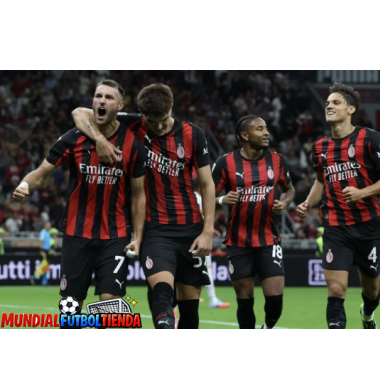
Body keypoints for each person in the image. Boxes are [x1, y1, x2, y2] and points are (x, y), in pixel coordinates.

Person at [72, 83, 215, 329]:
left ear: (172, 107)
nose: (158, 127)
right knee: (162, 294)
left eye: (163, 121)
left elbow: (207, 184)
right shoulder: (133, 124)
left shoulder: (194, 134)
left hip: (191, 228)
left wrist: (208, 231)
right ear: (142, 113)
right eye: (152, 121)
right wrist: (99, 139)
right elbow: (79, 113)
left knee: (190, 311)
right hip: (154, 230)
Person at [13, 79, 147, 328]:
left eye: (108, 97)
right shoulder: (73, 138)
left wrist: (138, 237)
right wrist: (25, 185)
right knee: (71, 306)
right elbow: (41, 173)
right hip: (77, 234)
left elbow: (139, 195)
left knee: (111, 304)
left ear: (120, 106)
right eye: (98, 96)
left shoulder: (133, 144)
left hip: (115, 236)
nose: (102, 101)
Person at [296, 82, 380, 329]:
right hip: (335, 226)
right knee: (336, 288)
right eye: (327, 103)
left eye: (336, 102)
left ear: (351, 109)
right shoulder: (320, 146)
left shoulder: (371, 139)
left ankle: (368, 314)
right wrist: (308, 202)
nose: (329, 106)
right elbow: (321, 181)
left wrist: (362, 192)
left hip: (368, 226)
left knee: (372, 292)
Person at [212, 115, 295, 329]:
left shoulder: (277, 160)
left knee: (275, 300)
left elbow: (289, 189)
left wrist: (284, 203)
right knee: (245, 301)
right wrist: (222, 200)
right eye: (259, 129)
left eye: (266, 128)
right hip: (238, 243)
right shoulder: (225, 163)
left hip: (269, 240)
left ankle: (267, 328)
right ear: (245, 135)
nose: (266, 132)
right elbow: (206, 198)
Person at [192, 174, 230, 309]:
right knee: (204, 270)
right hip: (197, 241)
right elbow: (194, 219)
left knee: (200, 271)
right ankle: (212, 299)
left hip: (196, 239)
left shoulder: (197, 198)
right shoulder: (197, 199)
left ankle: (205, 297)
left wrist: (209, 230)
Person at [31, 221, 52, 285]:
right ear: (45, 225)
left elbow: (47, 244)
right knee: (43, 266)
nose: (49, 226)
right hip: (44, 251)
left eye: (50, 225)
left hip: (47, 251)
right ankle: (35, 277)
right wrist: (42, 252)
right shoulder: (43, 232)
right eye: (48, 225)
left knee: (45, 267)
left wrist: (51, 251)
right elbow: (40, 242)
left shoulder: (47, 233)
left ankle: (44, 281)